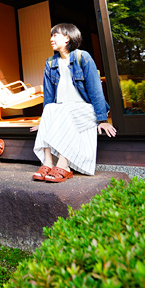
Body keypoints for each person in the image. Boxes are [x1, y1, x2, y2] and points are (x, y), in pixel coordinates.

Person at [30, 23, 116, 182]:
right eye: (51, 35)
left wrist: (102, 119)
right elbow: (49, 97)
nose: (51, 39)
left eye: (55, 35)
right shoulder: (50, 63)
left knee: (65, 110)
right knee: (50, 108)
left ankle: (64, 165)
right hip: (65, 110)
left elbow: (95, 89)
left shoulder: (82, 57)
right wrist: (45, 121)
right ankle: (47, 163)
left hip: (86, 109)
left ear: (67, 37)